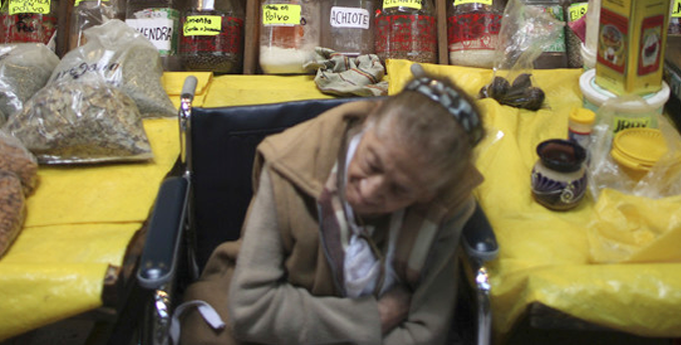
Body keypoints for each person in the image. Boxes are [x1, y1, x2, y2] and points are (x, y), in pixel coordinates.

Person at [177, 65, 485, 344]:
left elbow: (424, 331)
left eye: (400, 190)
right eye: (372, 163)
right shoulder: (290, 163)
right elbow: (252, 309)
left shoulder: (446, 205)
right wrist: (372, 317)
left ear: (429, 194)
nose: (370, 190)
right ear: (369, 122)